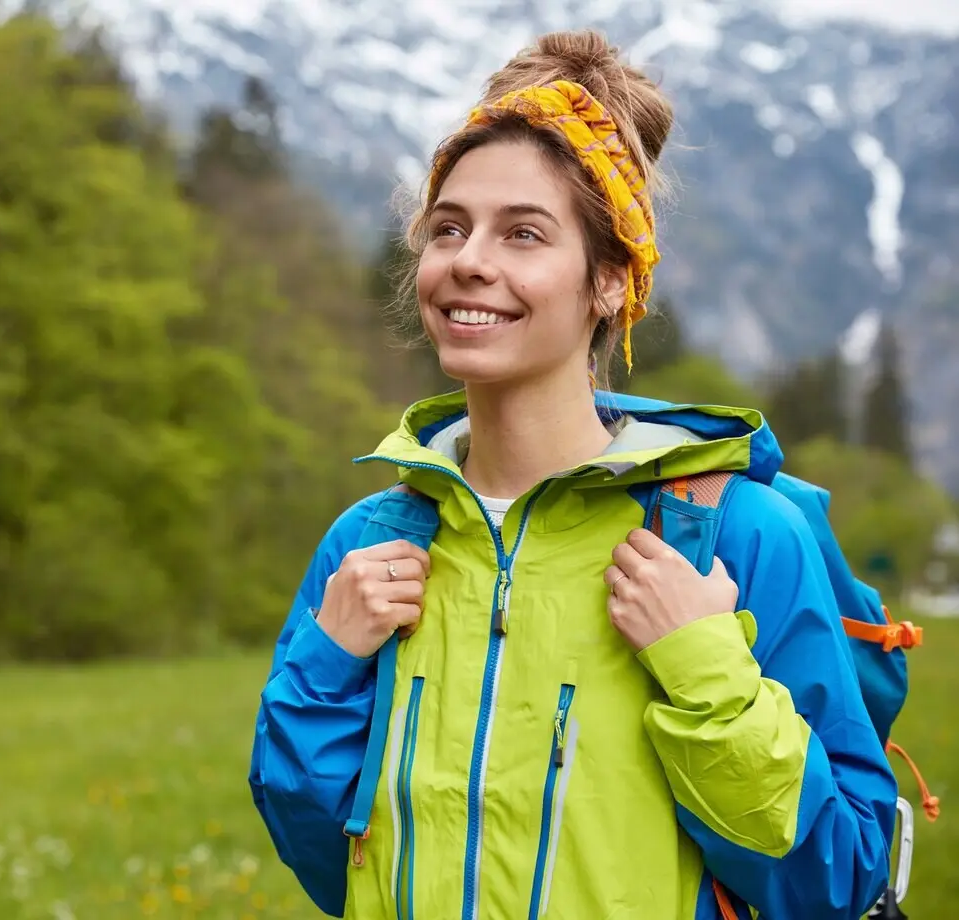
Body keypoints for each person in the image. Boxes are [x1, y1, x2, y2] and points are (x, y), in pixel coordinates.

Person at [247, 29, 897, 920]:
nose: (470, 259)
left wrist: (705, 668)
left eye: (524, 234)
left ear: (609, 284)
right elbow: (329, 859)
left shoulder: (734, 536)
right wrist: (324, 668)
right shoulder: (371, 542)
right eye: (449, 228)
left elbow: (837, 875)